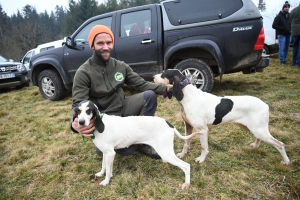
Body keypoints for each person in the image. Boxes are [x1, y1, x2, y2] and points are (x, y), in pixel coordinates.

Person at [70, 25, 168, 159]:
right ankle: (105, 143)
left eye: (109, 43)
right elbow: (78, 103)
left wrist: (168, 89)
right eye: (100, 43)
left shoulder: (120, 66)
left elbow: (141, 84)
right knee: (126, 151)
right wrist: (74, 123)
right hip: (106, 118)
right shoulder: (83, 72)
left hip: (123, 108)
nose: (105, 47)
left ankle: (142, 140)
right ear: (92, 45)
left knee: (149, 96)